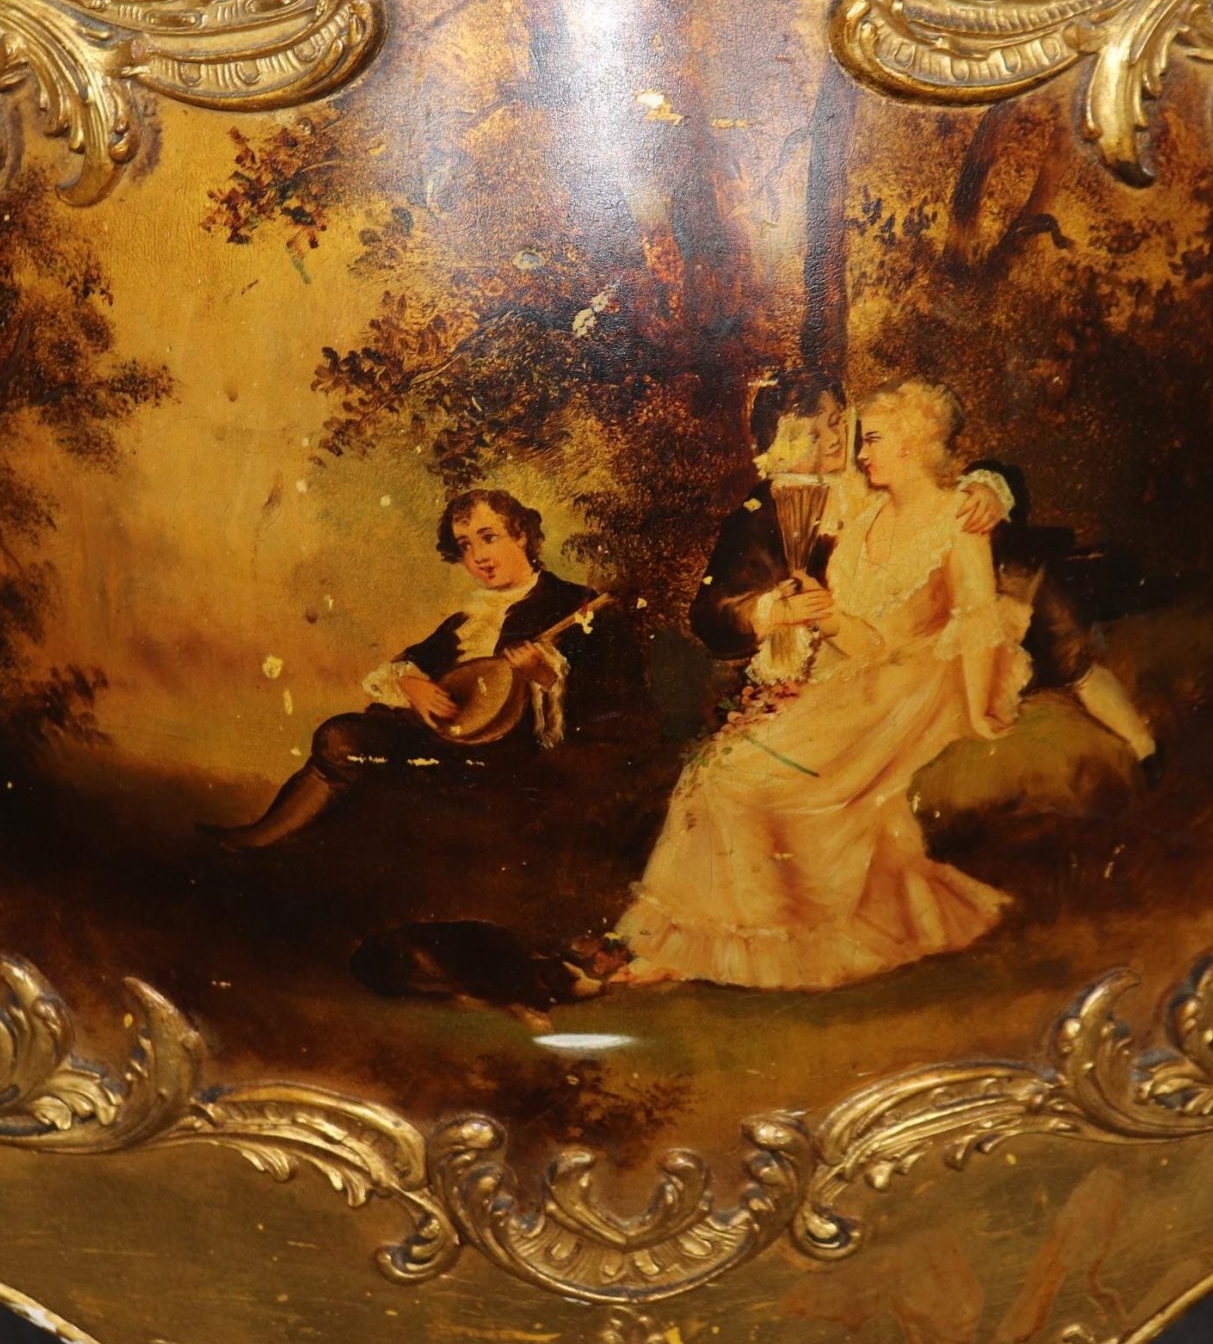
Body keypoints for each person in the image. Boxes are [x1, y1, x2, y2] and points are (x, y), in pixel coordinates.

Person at [614, 380, 1025, 990]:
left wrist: (993, 484)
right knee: (715, 774)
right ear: (779, 441)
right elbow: (717, 614)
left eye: (844, 426)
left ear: (905, 441)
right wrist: (780, 613)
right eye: (817, 429)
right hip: (844, 672)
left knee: (760, 782)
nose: (843, 443)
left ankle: (776, 942)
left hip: (907, 683)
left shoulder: (923, 504)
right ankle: (698, 943)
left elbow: (967, 609)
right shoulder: (774, 511)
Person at [211, 489, 642, 848]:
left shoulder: (575, 607)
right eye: (465, 546)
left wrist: (544, 677)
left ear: (522, 535)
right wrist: (412, 684)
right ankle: (265, 838)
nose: (478, 557)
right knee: (339, 735)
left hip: (507, 754)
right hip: (446, 735)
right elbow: (412, 661)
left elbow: (608, 706)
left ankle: (266, 843)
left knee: (351, 747)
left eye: (488, 537)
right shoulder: (469, 617)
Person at [691, 374, 1012, 689]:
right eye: (812, 436)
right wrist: (773, 612)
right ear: (779, 445)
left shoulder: (868, 478)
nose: (834, 440)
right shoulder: (762, 510)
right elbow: (710, 614)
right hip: (800, 673)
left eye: (835, 423)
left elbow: (933, 492)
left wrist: (985, 485)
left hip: (884, 655)